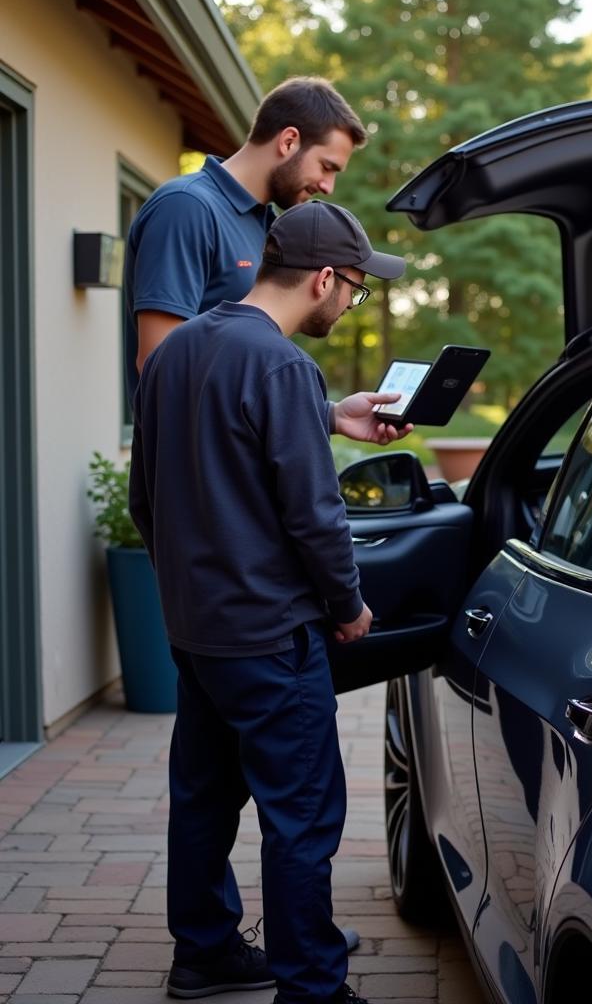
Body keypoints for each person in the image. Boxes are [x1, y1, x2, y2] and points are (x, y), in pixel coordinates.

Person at [129, 201, 407, 1004]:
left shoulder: (179, 352)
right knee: (304, 815)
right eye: (353, 290)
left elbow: (149, 498)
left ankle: (206, 953)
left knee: (204, 799)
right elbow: (314, 516)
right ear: (323, 277)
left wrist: (330, 416)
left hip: (197, 630)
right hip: (272, 637)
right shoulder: (284, 367)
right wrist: (348, 605)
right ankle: (312, 987)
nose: (349, 303)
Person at [123, 76, 367, 403]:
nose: (328, 186)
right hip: (190, 452)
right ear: (289, 141)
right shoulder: (187, 207)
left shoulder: (269, 227)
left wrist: (328, 415)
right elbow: (158, 363)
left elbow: (250, 364)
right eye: (326, 167)